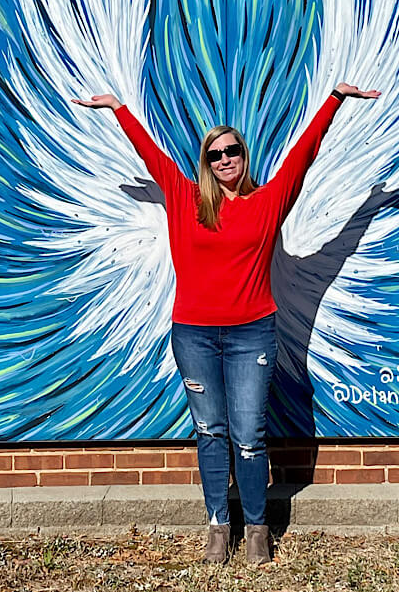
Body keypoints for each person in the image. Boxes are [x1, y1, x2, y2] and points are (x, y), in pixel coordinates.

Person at [72, 83, 380, 563]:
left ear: (244, 155)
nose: (224, 160)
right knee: (211, 431)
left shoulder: (267, 203)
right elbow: (149, 153)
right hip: (193, 335)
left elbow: (304, 156)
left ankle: (256, 527)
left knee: (250, 435)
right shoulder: (184, 198)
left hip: (252, 333)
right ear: (206, 163)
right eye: (215, 154)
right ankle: (219, 526)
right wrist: (118, 109)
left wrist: (334, 100)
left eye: (232, 150)